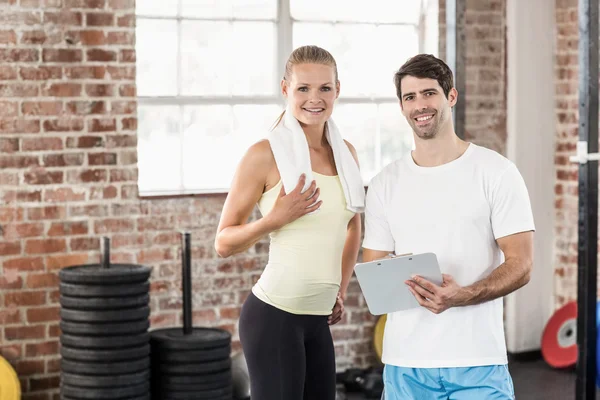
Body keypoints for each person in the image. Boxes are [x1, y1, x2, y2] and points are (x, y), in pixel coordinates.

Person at [362, 54, 535, 399]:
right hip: (405, 363)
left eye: (429, 93)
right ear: (401, 106)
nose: (420, 105)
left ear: (451, 96)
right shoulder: (385, 183)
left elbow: (522, 264)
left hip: (478, 359)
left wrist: (464, 295)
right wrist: (403, 270)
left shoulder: (496, 172)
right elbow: (372, 270)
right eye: (410, 97)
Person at [214, 45, 364, 400]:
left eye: (325, 88)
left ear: (337, 90)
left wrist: (339, 290)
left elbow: (353, 226)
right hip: (273, 317)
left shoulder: (347, 155)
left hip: (317, 319)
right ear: (286, 90)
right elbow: (223, 242)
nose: (315, 98)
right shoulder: (263, 155)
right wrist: (275, 219)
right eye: (303, 88)